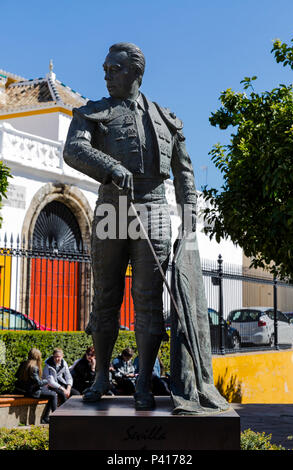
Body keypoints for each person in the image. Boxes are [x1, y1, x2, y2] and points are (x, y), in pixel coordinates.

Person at [63, 42, 197, 410]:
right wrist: (109, 166)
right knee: (105, 297)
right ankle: (102, 376)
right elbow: (73, 148)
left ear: (136, 73)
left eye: (115, 69)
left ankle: (143, 382)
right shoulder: (94, 112)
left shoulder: (166, 119)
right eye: (105, 68)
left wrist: (189, 224)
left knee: (148, 301)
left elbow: (184, 174)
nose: (106, 74)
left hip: (153, 209)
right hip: (111, 209)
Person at [15, 348, 57, 424]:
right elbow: (39, 383)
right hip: (32, 393)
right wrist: (47, 380)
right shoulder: (34, 367)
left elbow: (16, 375)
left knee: (50, 394)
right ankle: (53, 418)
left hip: (23, 391)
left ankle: (46, 418)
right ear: (38, 356)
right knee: (53, 395)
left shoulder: (23, 364)